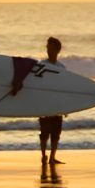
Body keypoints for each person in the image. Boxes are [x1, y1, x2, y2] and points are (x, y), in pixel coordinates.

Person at [38, 37, 66, 165]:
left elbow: (63, 88)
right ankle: (43, 156)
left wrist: (65, 107)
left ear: (57, 50)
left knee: (56, 133)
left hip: (57, 105)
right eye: (47, 47)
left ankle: (52, 157)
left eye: (51, 48)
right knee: (44, 132)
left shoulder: (62, 67)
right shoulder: (41, 65)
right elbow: (37, 85)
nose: (48, 50)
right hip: (44, 104)